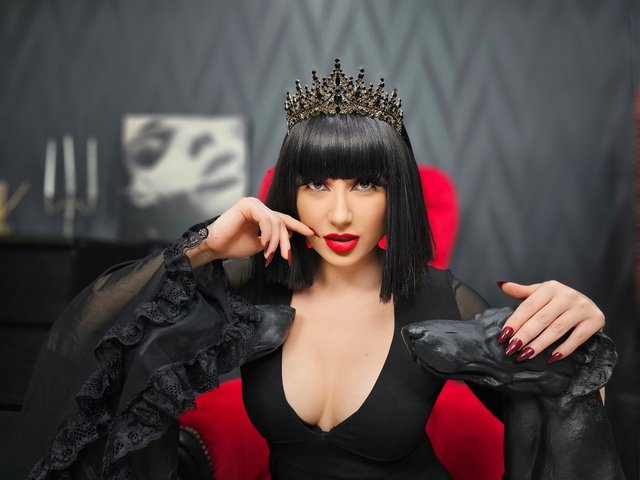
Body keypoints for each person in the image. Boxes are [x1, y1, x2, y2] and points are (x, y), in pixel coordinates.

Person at [16, 60, 607, 479]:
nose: (340, 213)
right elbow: (91, 335)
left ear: (396, 195)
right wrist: (205, 248)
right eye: (317, 184)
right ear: (290, 192)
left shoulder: (440, 298)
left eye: (366, 184)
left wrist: (578, 340)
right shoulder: (252, 286)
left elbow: (563, 413)